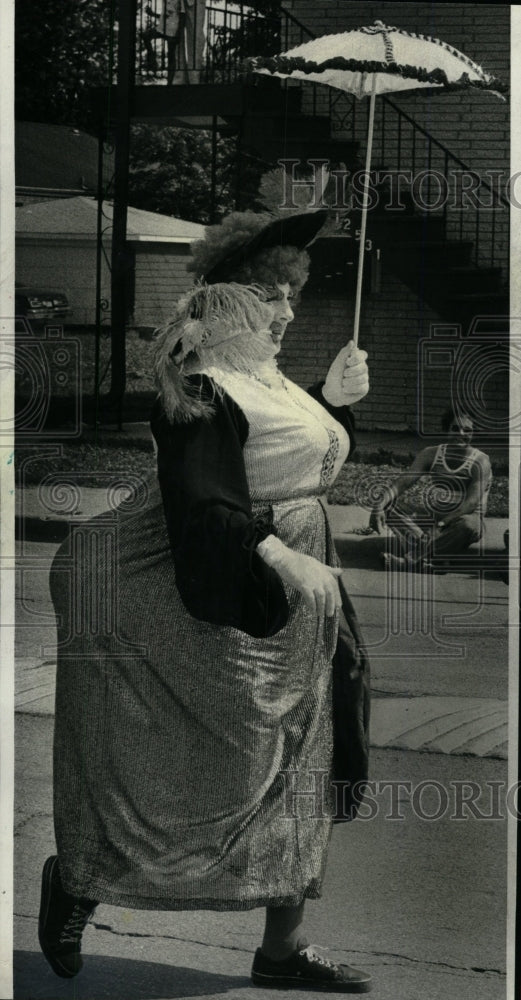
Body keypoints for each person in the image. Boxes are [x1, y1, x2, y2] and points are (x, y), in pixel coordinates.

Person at [39, 208, 373, 993]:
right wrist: (278, 553)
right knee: (186, 764)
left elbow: (289, 458)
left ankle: (282, 952)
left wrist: (335, 402)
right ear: (226, 300)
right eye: (272, 294)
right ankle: (80, 879)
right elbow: (201, 502)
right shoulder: (197, 384)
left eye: (292, 293)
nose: (287, 311)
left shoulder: (268, 377)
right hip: (206, 583)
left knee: (300, 758)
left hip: (291, 590)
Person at [370, 407, 492, 571]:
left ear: (473, 433)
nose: (461, 434)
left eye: (467, 430)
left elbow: (470, 504)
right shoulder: (431, 453)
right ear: (446, 429)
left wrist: (440, 526)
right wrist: (378, 506)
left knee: (470, 525)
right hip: (435, 518)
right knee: (389, 504)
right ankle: (435, 558)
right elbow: (404, 482)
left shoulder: (481, 461)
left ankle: (410, 561)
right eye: (455, 428)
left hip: (461, 522)